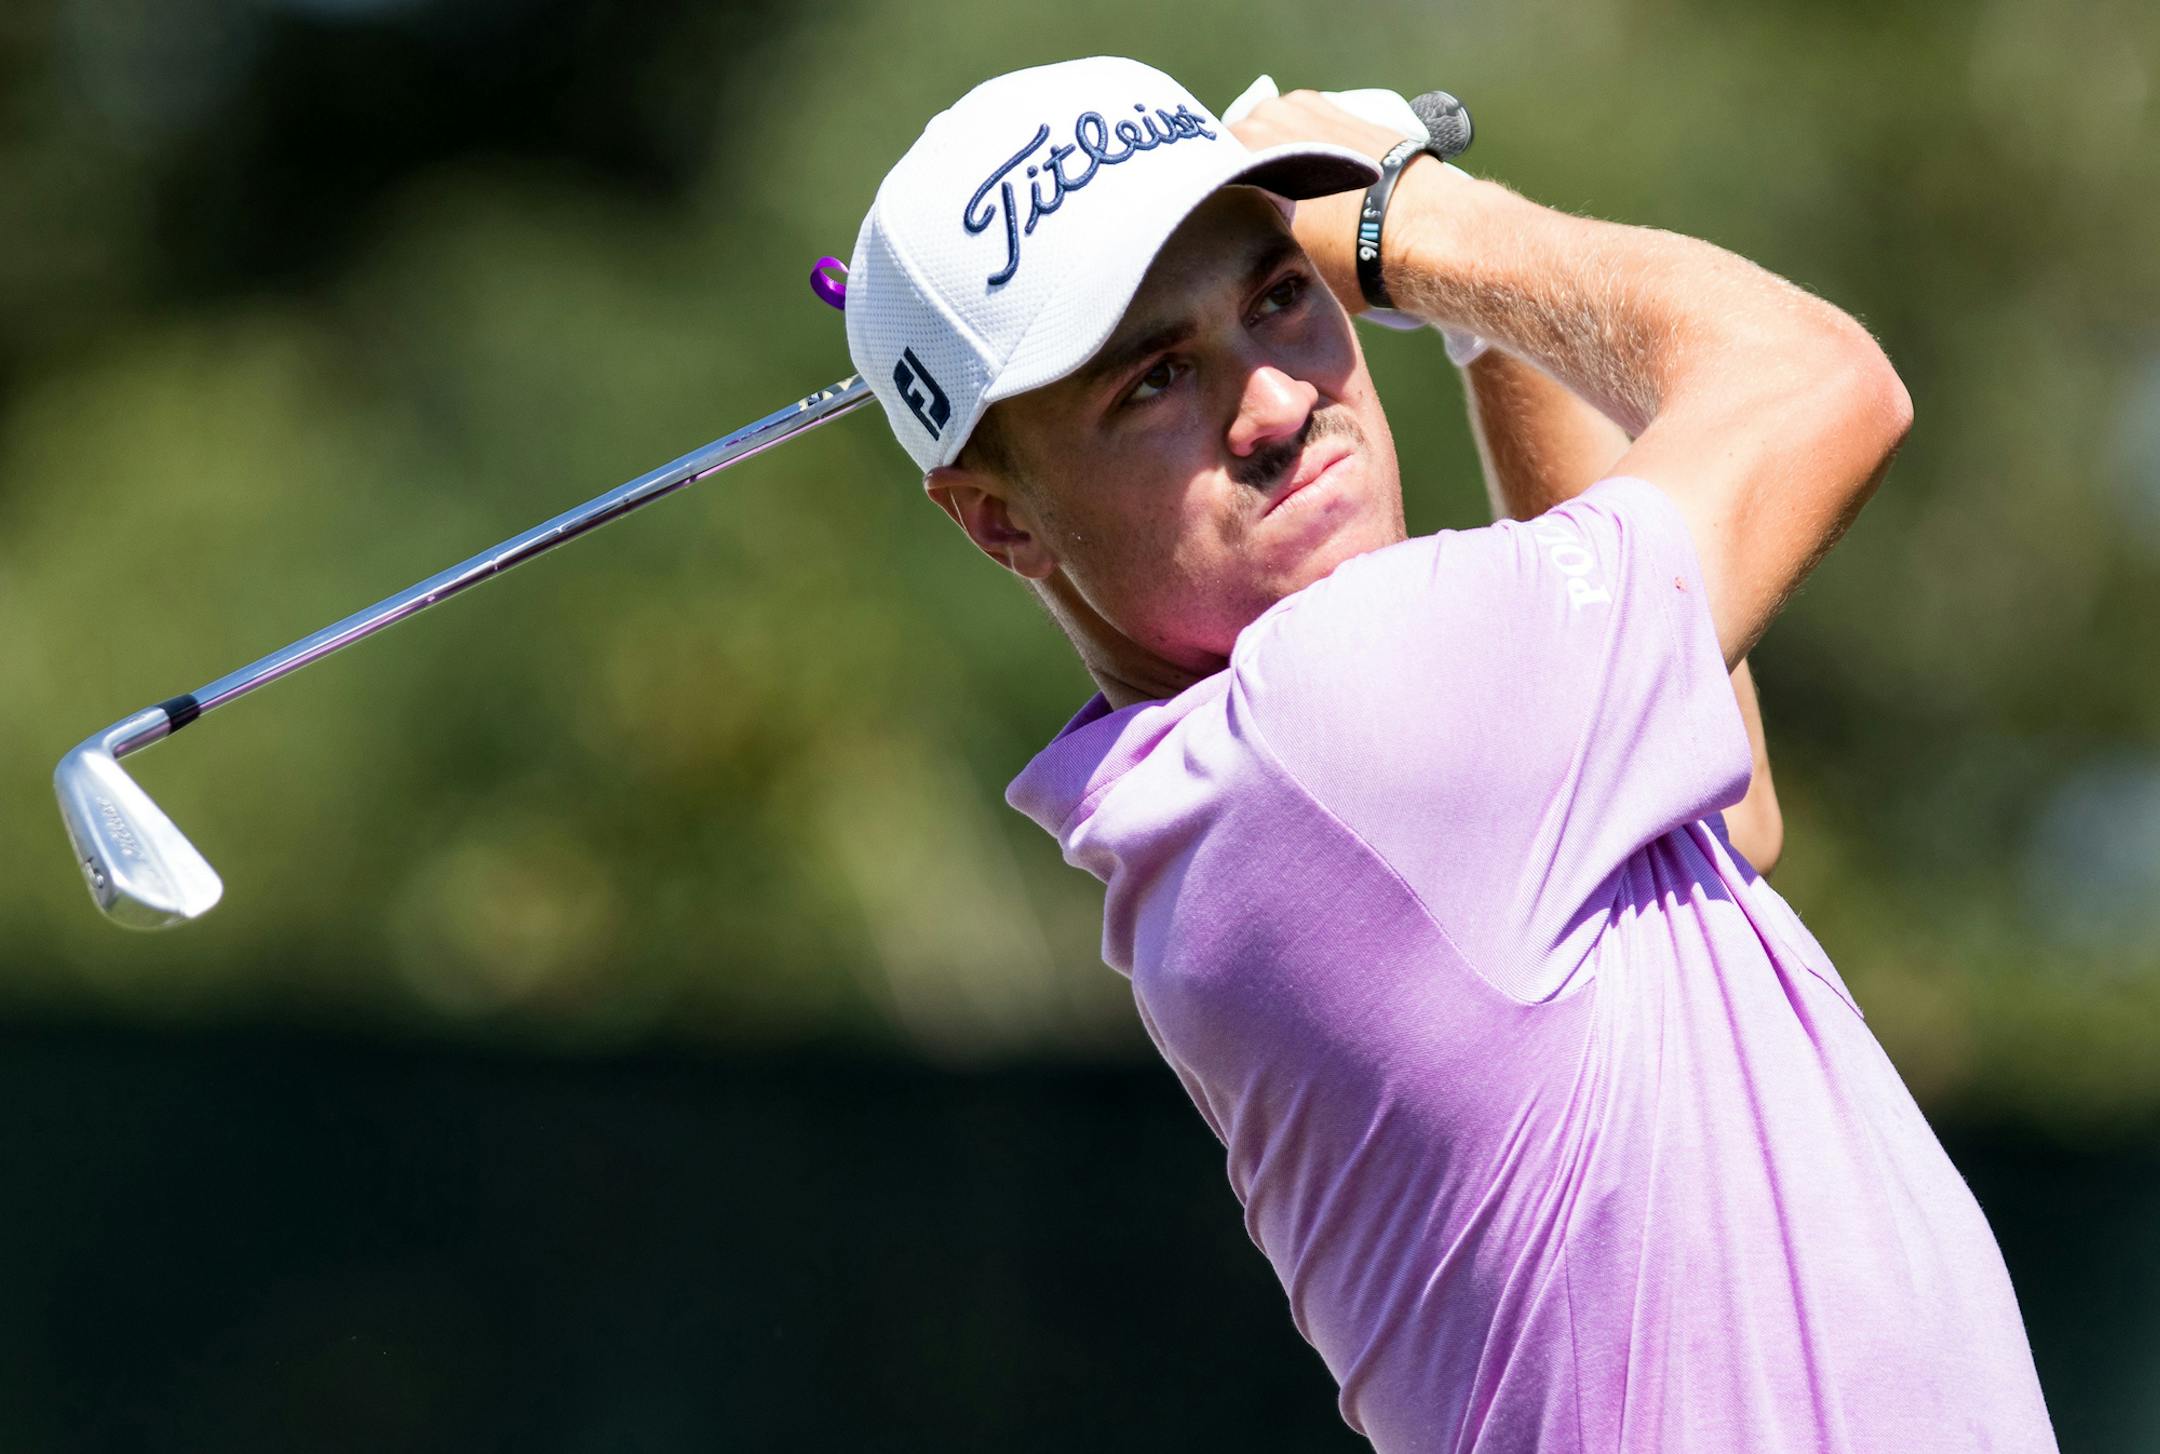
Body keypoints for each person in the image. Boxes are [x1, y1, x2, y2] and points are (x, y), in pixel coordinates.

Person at [842, 55, 2057, 1453]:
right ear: (1002, 522)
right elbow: (1823, 385)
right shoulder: (1331, 717)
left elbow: (1730, 806)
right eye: (1157, 380)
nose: (1277, 404)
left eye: (1279, 296)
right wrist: (1407, 225)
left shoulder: (1250, 776)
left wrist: (1493, 342)